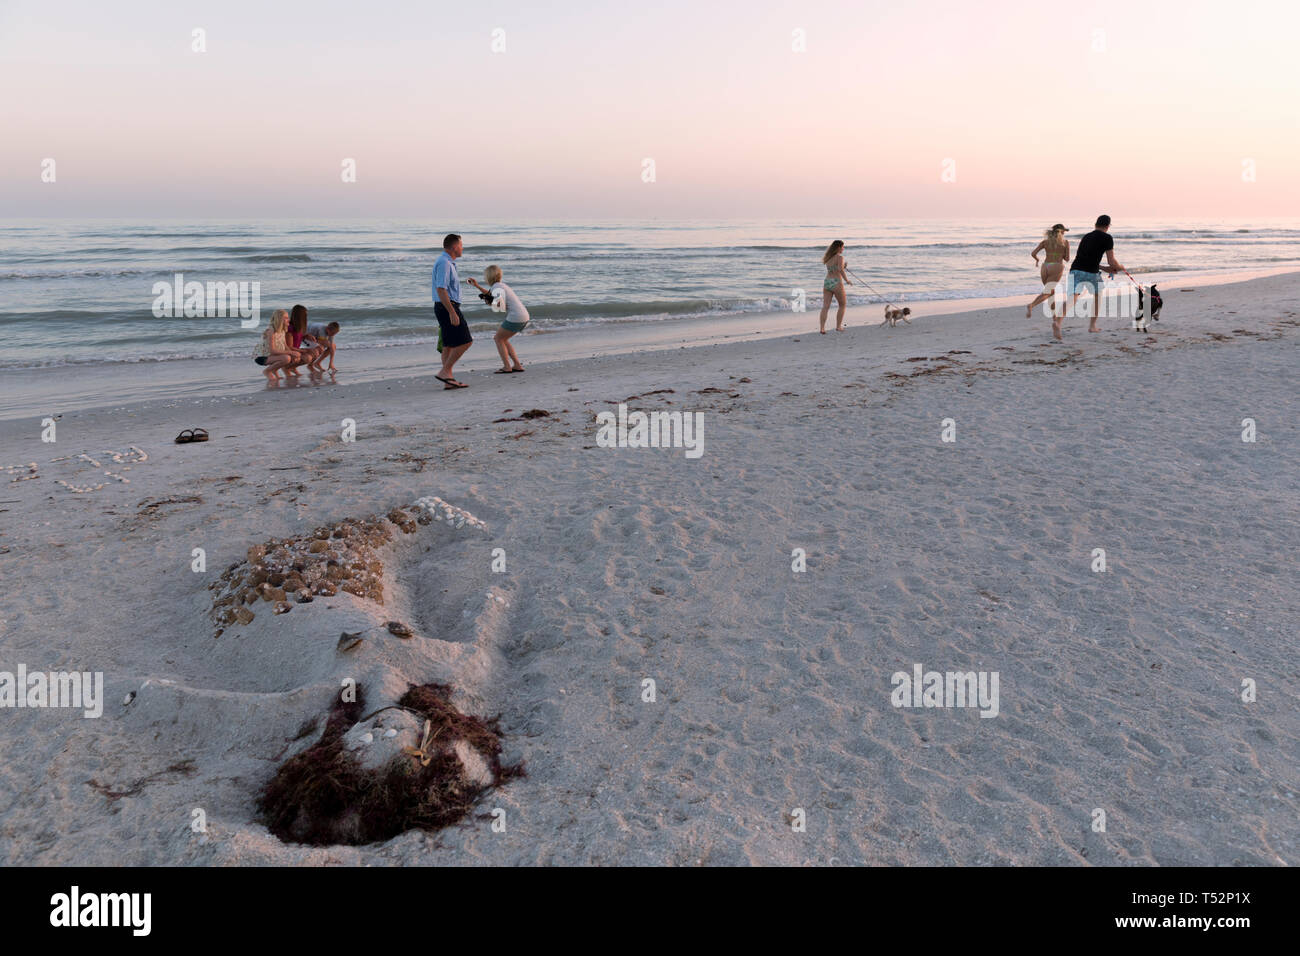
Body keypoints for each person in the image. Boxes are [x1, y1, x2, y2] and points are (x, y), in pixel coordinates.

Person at [1062, 214, 1126, 340]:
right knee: (1098, 295)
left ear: (1095, 224)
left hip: (1075, 269)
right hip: (1091, 273)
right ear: (1108, 226)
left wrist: (1105, 269)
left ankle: (1058, 321)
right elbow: (1111, 261)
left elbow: (1086, 260)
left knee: (1073, 297)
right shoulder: (1107, 238)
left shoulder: (1086, 236)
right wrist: (1120, 267)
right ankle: (1092, 326)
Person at [468, 265, 528, 373]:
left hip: (516, 316)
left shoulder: (497, 287)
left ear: (489, 276)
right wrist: (477, 286)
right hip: (523, 315)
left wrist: (489, 302)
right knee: (503, 339)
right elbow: (491, 295)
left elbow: (499, 307)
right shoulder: (500, 286)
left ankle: (507, 367)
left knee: (498, 339)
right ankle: (517, 365)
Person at [433, 233, 471, 388]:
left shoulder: (446, 262)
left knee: (449, 345)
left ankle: (448, 380)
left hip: (444, 306)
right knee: (466, 341)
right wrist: (452, 312)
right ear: (455, 247)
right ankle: (445, 371)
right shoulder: (445, 263)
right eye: (461, 245)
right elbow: (441, 289)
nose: (462, 248)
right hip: (447, 306)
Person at [1026, 224, 1069, 319]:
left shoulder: (1045, 242)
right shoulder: (1065, 242)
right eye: (1064, 231)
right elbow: (1067, 259)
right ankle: (1032, 305)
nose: (1064, 233)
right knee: (1048, 292)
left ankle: (1054, 315)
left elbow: (1033, 253)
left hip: (1045, 266)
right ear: (1061, 232)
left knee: (1050, 292)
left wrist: (1037, 260)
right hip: (1056, 267)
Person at [818, 240, 851, 333]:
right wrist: (847, 280)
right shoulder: (840, 257)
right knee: (842, 305)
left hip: (827, 282)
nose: (843, 249)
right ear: (838, 247)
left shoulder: (828, 257)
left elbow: (834, 268)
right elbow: (840, 270)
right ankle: (838, 326)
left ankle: (822, 328)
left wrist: (843, 267)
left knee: (825, 306)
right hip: (837, 282)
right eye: (842, 247)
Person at [255, 310, 297, 382]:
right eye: (286, 318)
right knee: (286, 358)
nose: (289, 319)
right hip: (262, 357)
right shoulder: (271, 331)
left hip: (272, 356)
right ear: (279, 319)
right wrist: (291, 353)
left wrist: (292, 353)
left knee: (292, 357)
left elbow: (285, 345)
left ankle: (274, 370)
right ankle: (267, 371)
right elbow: (272, 350)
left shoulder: (282, 330)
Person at [286, 304, 319, 373]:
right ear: (300, 316)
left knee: (317, 350)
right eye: (305, 315)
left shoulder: (298, 327)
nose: (306, 317)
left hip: (296, 350)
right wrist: (304, 350)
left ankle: (293, 367)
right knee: (308, 358)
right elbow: (289, 347)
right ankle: (287, 367)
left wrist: (306, 336)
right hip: (290, 352)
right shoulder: (290, 328)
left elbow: (297, 337)